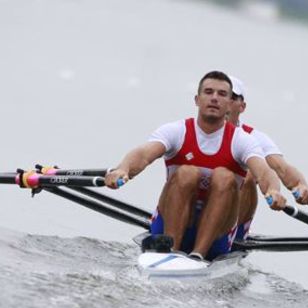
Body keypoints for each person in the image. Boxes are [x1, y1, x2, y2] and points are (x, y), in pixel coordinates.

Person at [105, 70, 286, 261]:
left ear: (229, 104)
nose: (214, 98)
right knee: (187, 173)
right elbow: (143, 154)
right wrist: (123, 169)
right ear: (197, 100)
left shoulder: (242, 140)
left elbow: (264, 172)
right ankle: (170, 250)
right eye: (208, 92)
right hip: (168, 226)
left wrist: (273, 190)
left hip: (217, 237)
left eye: (222, 94)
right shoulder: (176, 131)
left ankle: (199, 254)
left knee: (224, 176)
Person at [227, 75, 308, 242]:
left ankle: (235, 235)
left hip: (231, 219)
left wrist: (300, 186)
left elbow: (281, 168)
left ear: (242, 106)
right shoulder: (187, 130)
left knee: (248, 175)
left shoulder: (253, 137)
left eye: (231, 97)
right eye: (215, 94)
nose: (222, 101)